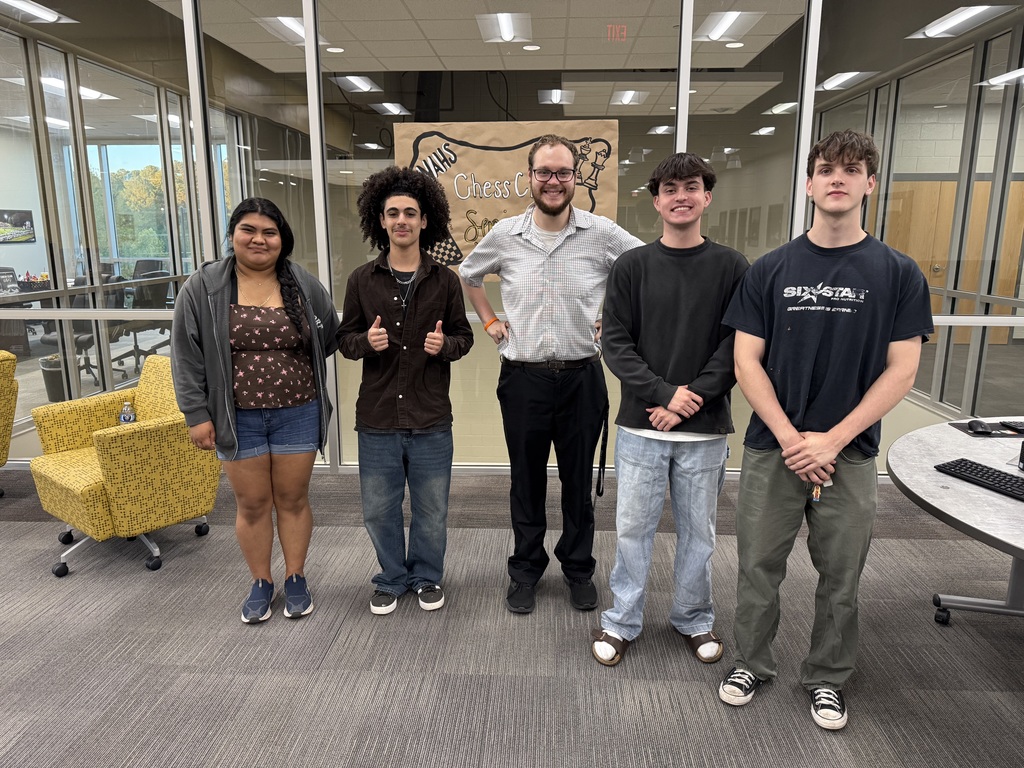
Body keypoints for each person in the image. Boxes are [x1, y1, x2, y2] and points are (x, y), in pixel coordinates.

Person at [717, 130, 933, 730]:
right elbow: (745, 363)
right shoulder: (769, 269)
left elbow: (902, 369)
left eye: (853, 168)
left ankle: (828, 677)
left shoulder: (898, 273)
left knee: (842, 576)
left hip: (851, 454)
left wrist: (832, 440)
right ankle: (751, 663)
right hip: (773, 450)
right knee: (758, 566)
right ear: (809, 184)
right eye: (826, 169)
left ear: (870, 183)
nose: (838, 177)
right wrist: (792, 439)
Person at [459, 134, 643, 615]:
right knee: (526, 481)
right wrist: (491, 321)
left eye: (563, 172)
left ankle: (579, 569)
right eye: (545, 172)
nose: (554, 181)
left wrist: (618, 318)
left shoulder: (601, 233)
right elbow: (468, 274)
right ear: (530, 178)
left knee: (578, 483)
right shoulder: (505, 234)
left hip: (582, 377)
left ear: (576, 178)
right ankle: (525, 570)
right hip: (524, 379)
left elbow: (647, 267)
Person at [590, 153, 748, 667]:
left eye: (692, 187)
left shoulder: (731, 266)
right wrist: (663, 394)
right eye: (671, 188)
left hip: (703, 432)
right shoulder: (632, 266)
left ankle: (693, 619)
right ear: (656, 200)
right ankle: (622, 622)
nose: (682, 196)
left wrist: (688, 400)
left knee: (699, 535)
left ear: (707, 196)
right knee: (632, 531)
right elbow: (615, 343)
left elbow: (736, 347)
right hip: (642, 428)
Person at [171, 197, 341, 624]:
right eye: (249, 230)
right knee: (252, 503)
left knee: (293, 499)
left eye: (270, 232)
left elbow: (330, 334)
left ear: (282, 240)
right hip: (236, 416)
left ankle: (296, 577)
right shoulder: (204, 287)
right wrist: (196, 414)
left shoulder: (302, 283)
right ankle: (262, 581)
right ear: (233, 236)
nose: (259, 239)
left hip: (298, 411)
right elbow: (186, 356)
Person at [338, 167, 473, 616]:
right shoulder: (361, 280)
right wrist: (364, 343)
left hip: (430, 416)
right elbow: (345, 340)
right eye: (393, 212)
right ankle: (392, 578)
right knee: (379, 510)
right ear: (379, 220)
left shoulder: (446, 281)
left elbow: (463, 338)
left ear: (424, 221)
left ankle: (426, 578)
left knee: (431, 511)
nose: (402, 220)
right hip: (376, 418)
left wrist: (445, 347)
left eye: (410, 213)